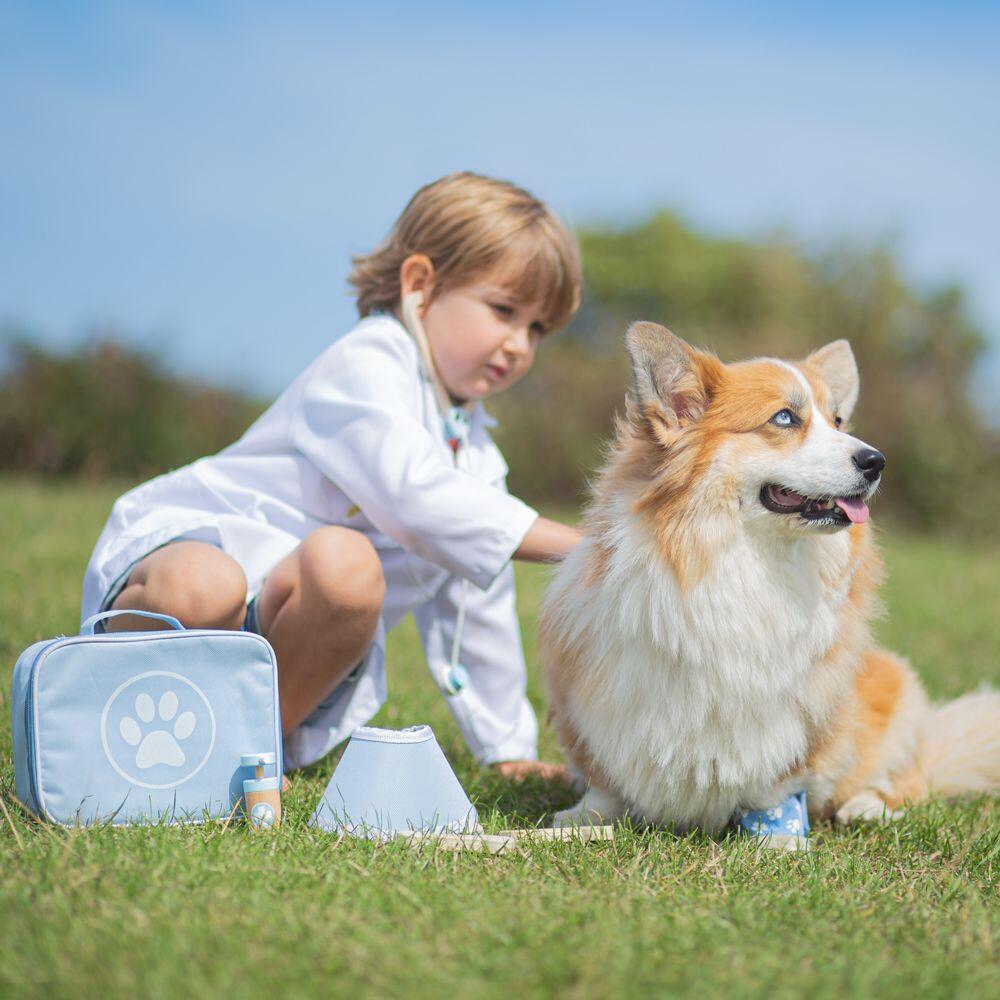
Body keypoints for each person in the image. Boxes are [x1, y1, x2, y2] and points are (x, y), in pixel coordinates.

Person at [81, 172, 583, 780]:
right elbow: (420, 500)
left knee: (347, 572)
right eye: (504, 311)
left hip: (287, 627)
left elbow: (476, 603)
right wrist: (589, 550)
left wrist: (505, 747)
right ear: (421, 286)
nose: (519, 345)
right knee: (202, 584)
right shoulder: (367, 364)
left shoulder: (475, 453)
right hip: (193, 566)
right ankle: (110, 729)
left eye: (537, 329)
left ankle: (242, 759)